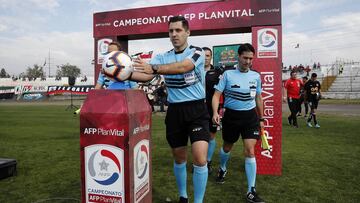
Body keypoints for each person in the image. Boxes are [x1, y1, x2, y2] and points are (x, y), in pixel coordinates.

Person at [133, 16, 209, 203]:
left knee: (200, 158)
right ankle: (183, 196)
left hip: (197, 109)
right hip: (175, 111)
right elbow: (145, 76)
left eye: (178, 30)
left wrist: (153, 68)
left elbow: (184, 67)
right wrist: (117, 73)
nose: (174, 34)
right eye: (171, 31)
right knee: (179, 157)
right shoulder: (162, 57)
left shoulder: (196, 52)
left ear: (187, 32)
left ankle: (198, 201)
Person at [212, 43, 265, 203]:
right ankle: (222, 168)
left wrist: (261, 119)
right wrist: (215, 112)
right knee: (227, 147)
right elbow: (216, 95)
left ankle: (251, 190)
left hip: (250, 118)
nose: (248, 61)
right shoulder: (227, 75)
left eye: (250, 58)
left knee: (250, 151)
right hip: (231, 118)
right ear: (238, 57)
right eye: (245, 58)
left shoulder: (256, 76)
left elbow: (258, 98)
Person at [202, 46, 221, 174]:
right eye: (203, 56)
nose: (205, 58)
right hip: (196, 107)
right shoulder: (192, 70)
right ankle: (201, 161)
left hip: (212, 107)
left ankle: (208, 161)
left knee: (211, 135)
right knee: (199, 136)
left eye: (207, 56)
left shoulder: (217, 72)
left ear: (211, 57)